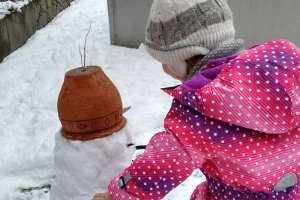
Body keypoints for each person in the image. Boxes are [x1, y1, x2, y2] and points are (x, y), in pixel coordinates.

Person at [93, 0, 300, 199]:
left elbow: (161, 165)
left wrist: (117, 193)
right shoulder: (289, 69)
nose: (165, 69)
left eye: (166, 61)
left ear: (186, 56)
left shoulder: (201, 109)